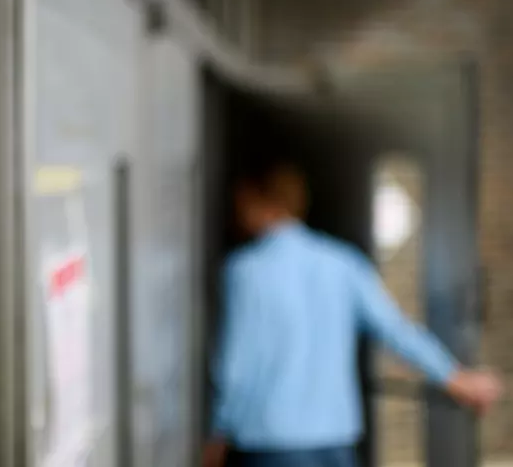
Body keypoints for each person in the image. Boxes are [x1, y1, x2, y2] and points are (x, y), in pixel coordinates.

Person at [204, 161, 504, 467]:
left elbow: (237, 364)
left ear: (256, 202)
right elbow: (396, 329)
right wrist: (454, 377)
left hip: (271, 443)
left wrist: (217, 430)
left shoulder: (245, 270)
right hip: (336, 444)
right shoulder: (343, 262)